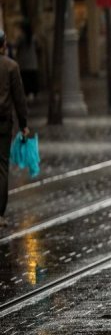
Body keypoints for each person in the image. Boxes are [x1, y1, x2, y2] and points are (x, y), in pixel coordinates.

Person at [0, 29, 30, 228]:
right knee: (2, 166)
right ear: (3, 45)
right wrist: (24, 124)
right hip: (3, 123)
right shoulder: (11, 67)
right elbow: (19, 99)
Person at [13, 21, 38, 101]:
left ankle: (27, 94)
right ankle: (32, 94)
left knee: (25, 79)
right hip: (33, 63)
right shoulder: (33, 37)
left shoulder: (21, 37)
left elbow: (15, 45)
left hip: (24, 63)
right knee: (32, 78)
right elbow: (38, 46)